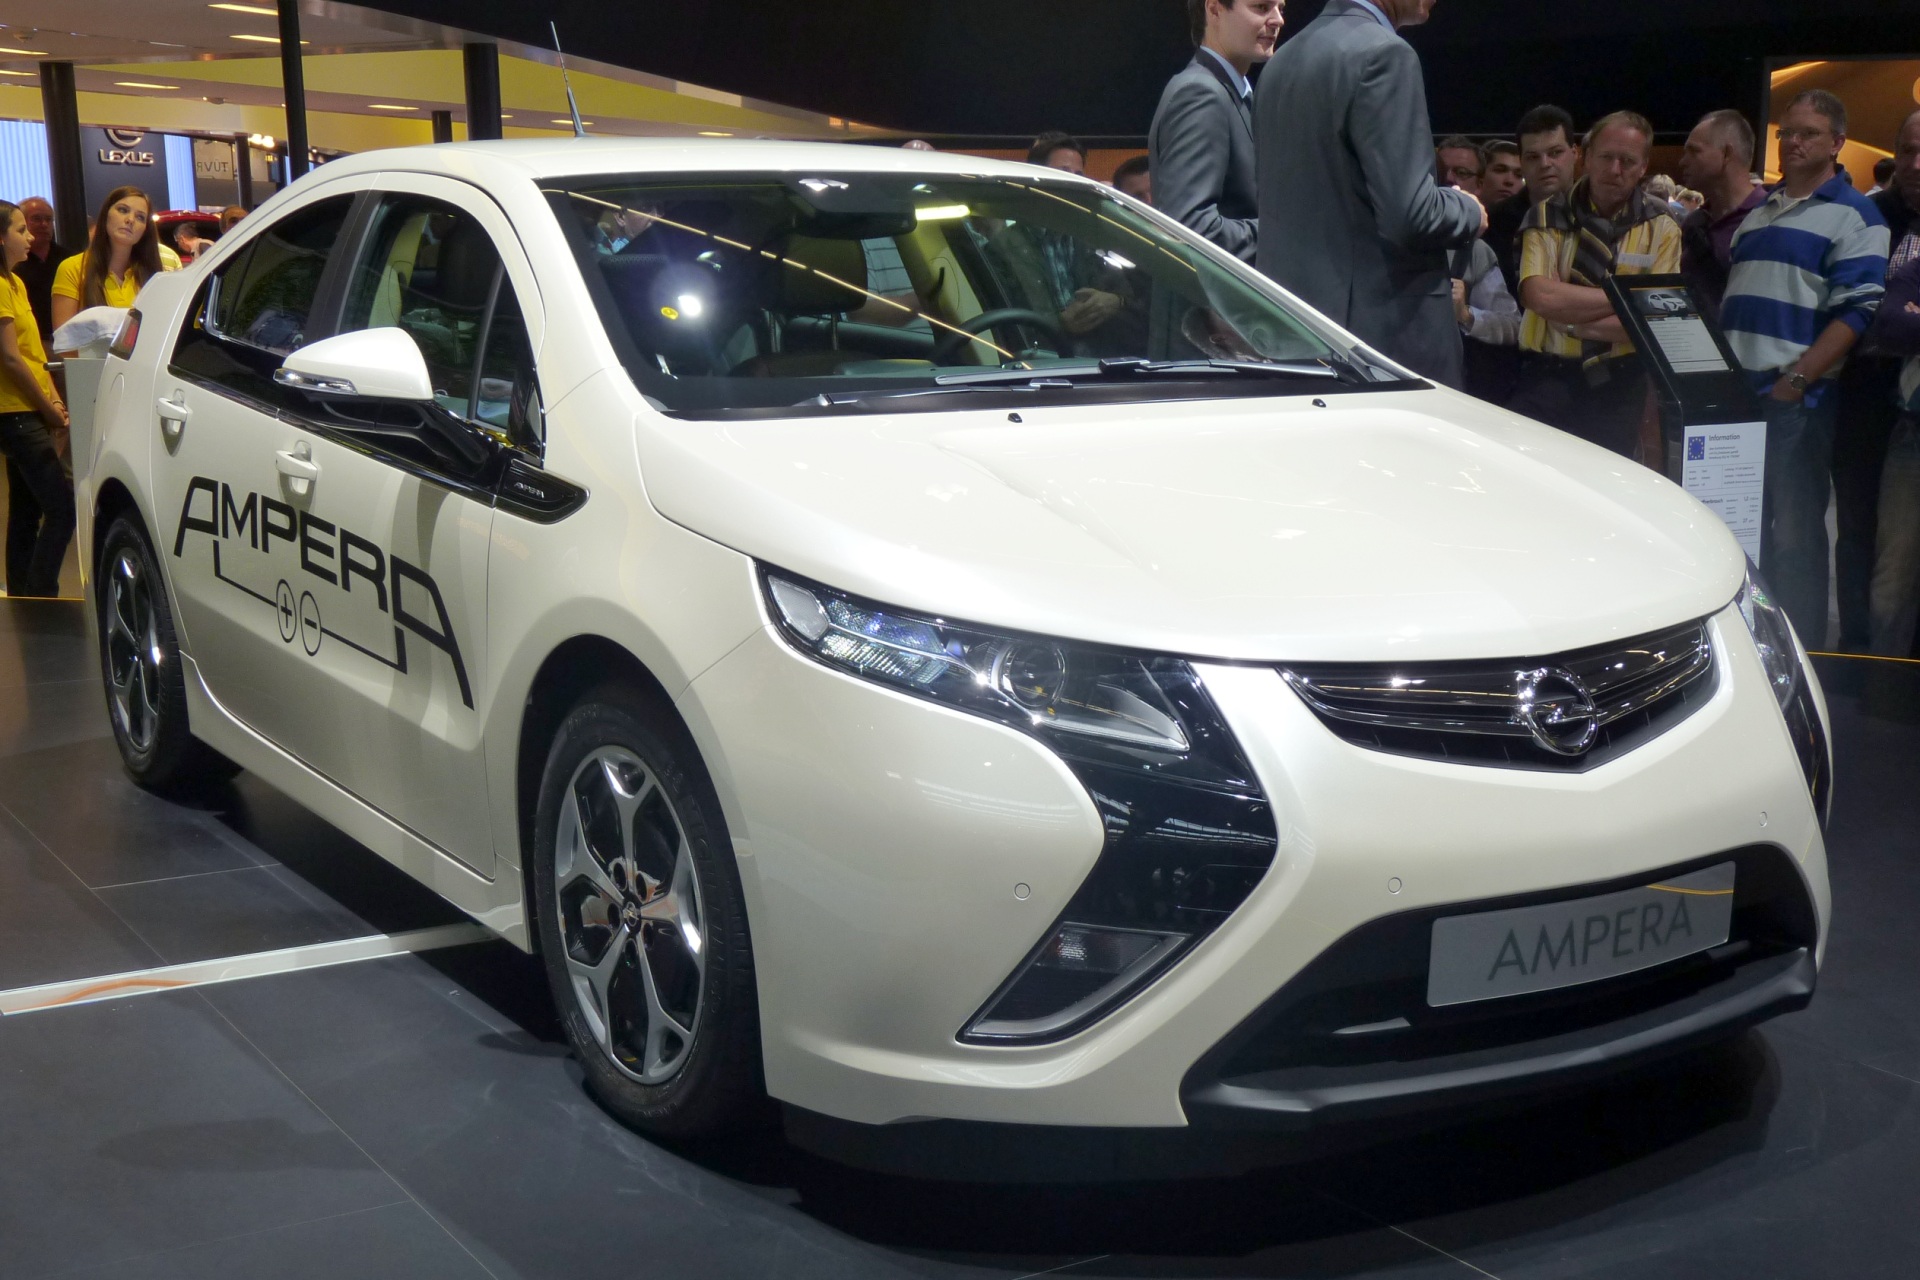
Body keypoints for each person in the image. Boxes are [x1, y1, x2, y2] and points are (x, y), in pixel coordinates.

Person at [1723, 89, 1889, 645]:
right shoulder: (1760, 211)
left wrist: (1796, 381)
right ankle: (1754, 651)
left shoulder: (1857, 214)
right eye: (1786, 132)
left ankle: (1804, 657)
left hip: (1795, 402)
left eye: (1808, 133)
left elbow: (1859, 310)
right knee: (1742, 534)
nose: (1793, 142)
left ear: (1837, 142)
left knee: (1795, 540)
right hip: (1741, 401)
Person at [1254, 0, 1484, 387]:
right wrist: (1469, 209)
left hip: (1294, 336)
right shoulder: (1385, 54)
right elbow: (1412, 214)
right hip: (1378, 348)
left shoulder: (1280, 63)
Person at [1510, 111, 1681, 461]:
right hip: (1547, 377)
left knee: (1604, 482)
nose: (1615, 170)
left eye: (1627, 161)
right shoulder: (1546, 216)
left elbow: (1657, 321)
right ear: (1586, 157)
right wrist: (1628, 298)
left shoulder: (1662, 226)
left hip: (1619, 385)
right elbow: (1539, 295)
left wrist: (1573, 323)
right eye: (1606, 157)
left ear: (1643, 167)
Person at [1843, 107, 1920, 653]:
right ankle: (1856, 653)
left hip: (1912, 403)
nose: (1916, 164)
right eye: (1909, 151)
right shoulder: (1865, 218)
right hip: (1865, 393)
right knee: (1859, 529)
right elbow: (1884, 320)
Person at [1147, 0, 1281, 263]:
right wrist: (1285, 232)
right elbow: (1191, 230)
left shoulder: (1229, 92)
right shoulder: (1200, 93)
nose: (1278, 19)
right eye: (1262, 7)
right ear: (1214, 9)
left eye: (1281, 8)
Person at [0, 201, 72, 599]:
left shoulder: (15, 282)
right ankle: (41, 595)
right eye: (20, 229)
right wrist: (48, 408)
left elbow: (32, 354)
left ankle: (23, 598)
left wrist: (53, 399)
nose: (30, 236)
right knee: (62, 509)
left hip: (29, 408)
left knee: (27, 510)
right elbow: (10, 358)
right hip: (14, 412)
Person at [1485, 105, 1581, 310]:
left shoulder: (1600, 213)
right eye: (1533, 157)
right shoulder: (1493, 223)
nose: (1545, 164)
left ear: (1575, 153)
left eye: (1555, 153)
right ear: (1521, 162)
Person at [1677, 109, 1767, 320]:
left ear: (1726, 154)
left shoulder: (1772, 220)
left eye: (1694, 151)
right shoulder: (1694, 224)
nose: (1682, 162)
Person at [50, 187, 163, 332]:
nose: (130, 220)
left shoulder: (153, 275)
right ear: (106, 214)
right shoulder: (72, 268)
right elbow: (64, 339)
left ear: (146, 229)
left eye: (140, 217)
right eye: (123, 210)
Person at [11, 198, 66, 349]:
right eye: (36, 219)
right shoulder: (13, 264)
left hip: (65, 341)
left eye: (48, 219)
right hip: (26, 343)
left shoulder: (69, 260)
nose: (44, 224)